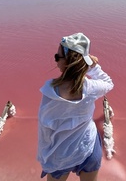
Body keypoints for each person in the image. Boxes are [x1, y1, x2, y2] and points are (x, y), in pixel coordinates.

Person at [37, 33, 114, 181]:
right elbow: (109, 83)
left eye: (57, 56)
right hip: (88, 148)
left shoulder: (49, 90)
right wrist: (92, 67)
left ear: (68, 62)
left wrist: (46, 159)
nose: (55, 60)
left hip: (59, 156)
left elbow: (45, 128)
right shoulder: (91, 88)